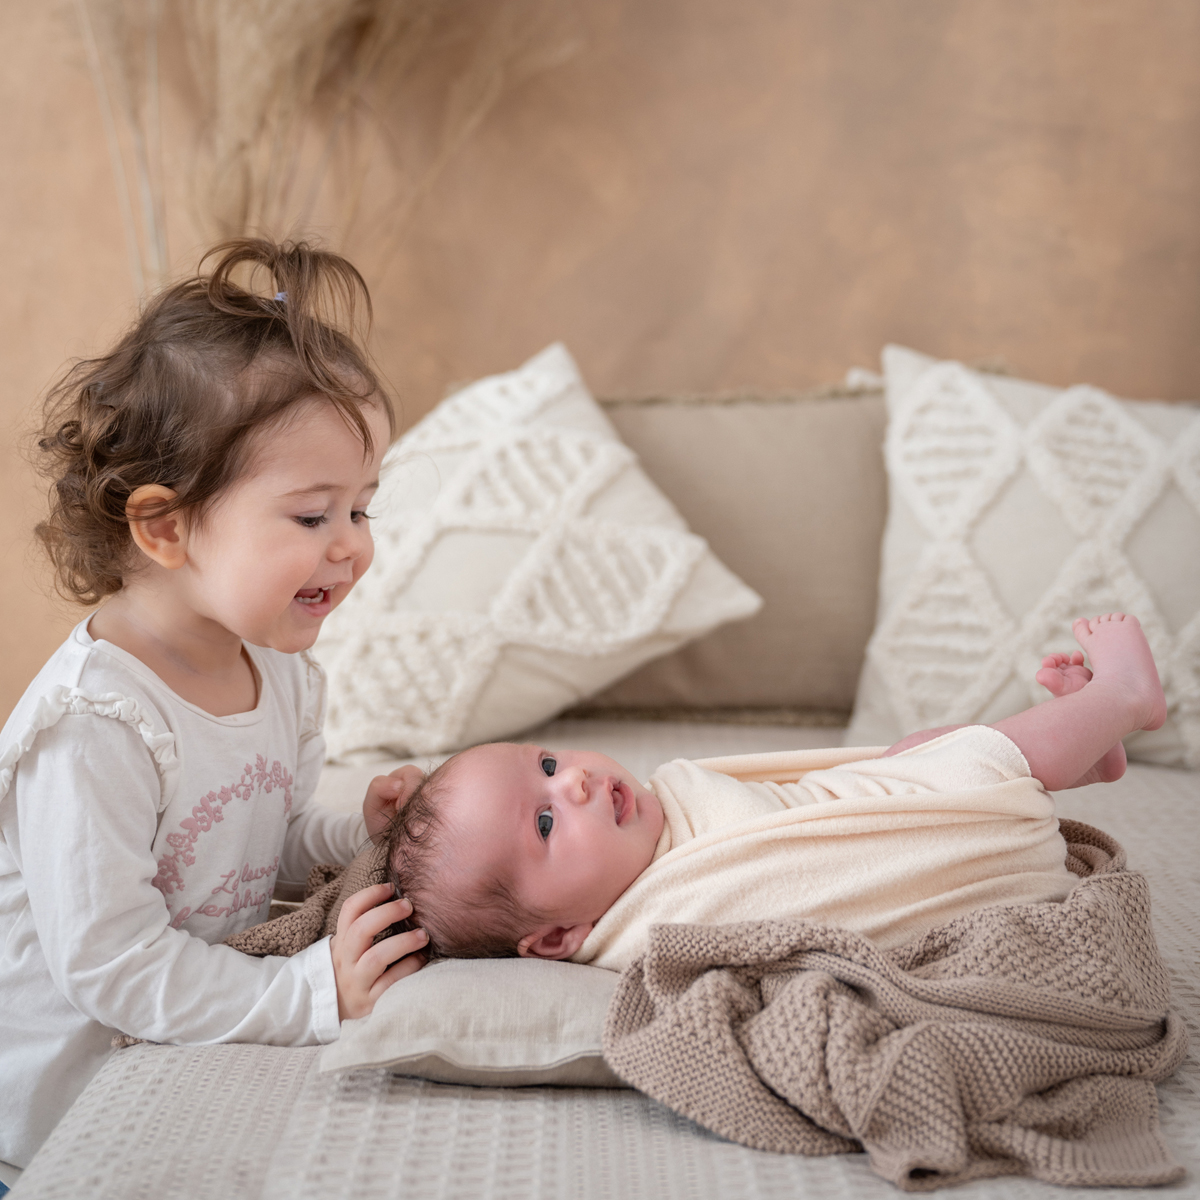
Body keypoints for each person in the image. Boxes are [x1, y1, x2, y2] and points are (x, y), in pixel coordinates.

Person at [0, 239, 425, 1169]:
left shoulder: (277, 671)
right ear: (166, 525)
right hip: (51, 1133)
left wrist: (354, 831)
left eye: (363, 508)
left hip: (178, 1061)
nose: (351, 546)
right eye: (313, 515)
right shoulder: (96, 726)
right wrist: (313, 995)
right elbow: (116, 964)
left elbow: (250, 837)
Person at [382, 612, 1166, 972]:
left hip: (859, 805)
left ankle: (1084, 752)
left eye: (547, 763)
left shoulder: (648, 829)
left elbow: (807, 799)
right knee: (975, 764)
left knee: (915, 752)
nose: (577, 779)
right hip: (948, 856)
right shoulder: (666, 929)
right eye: (547, 822)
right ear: (558, 938)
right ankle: (1124, 697)